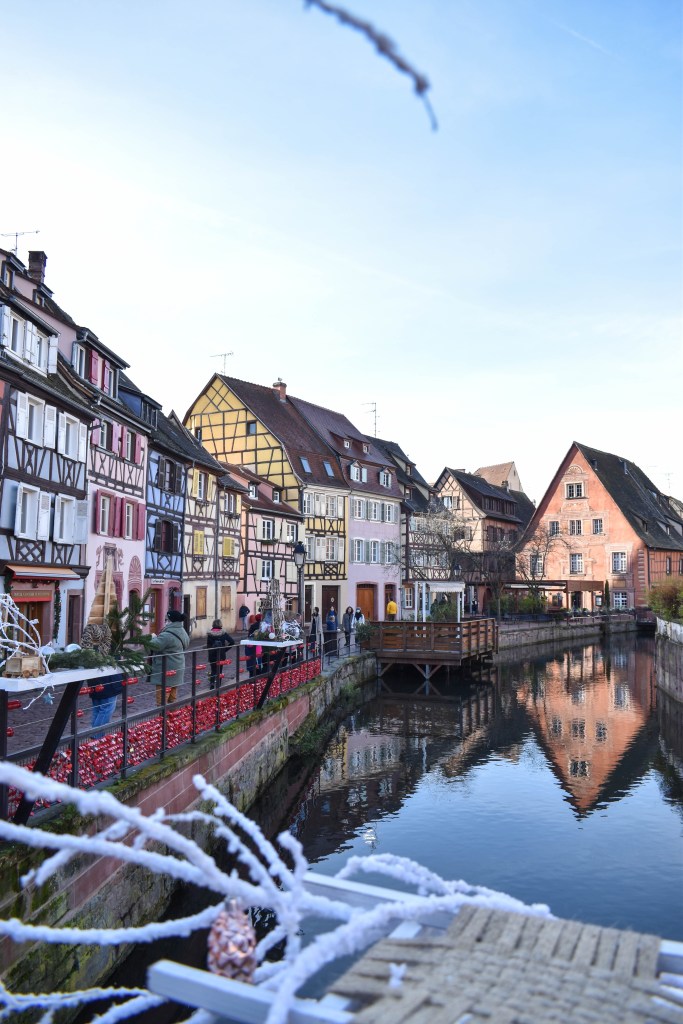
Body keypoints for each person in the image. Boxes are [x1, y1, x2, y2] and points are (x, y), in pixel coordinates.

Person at [149, 609, 190, 705]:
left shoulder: (168, 634)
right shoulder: (183, 631)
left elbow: (155, 646)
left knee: (161, 701)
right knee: (172, 698)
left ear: (170, 620)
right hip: (178, 667)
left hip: (166, 670)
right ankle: (173, 718)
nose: (165, 622)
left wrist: (153, 638)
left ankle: (163, 719)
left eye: (166, 619)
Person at [206, 619, 235, 688]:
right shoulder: (223, 633)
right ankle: (218, 685)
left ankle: (212, 684)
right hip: (221, 654)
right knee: (220, 670)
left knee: (213, 669)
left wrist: (211, 651)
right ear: (220, 624)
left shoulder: (210, 634)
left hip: (212, 654)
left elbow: (208, 646)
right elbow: (232, 642)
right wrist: (224, 649)